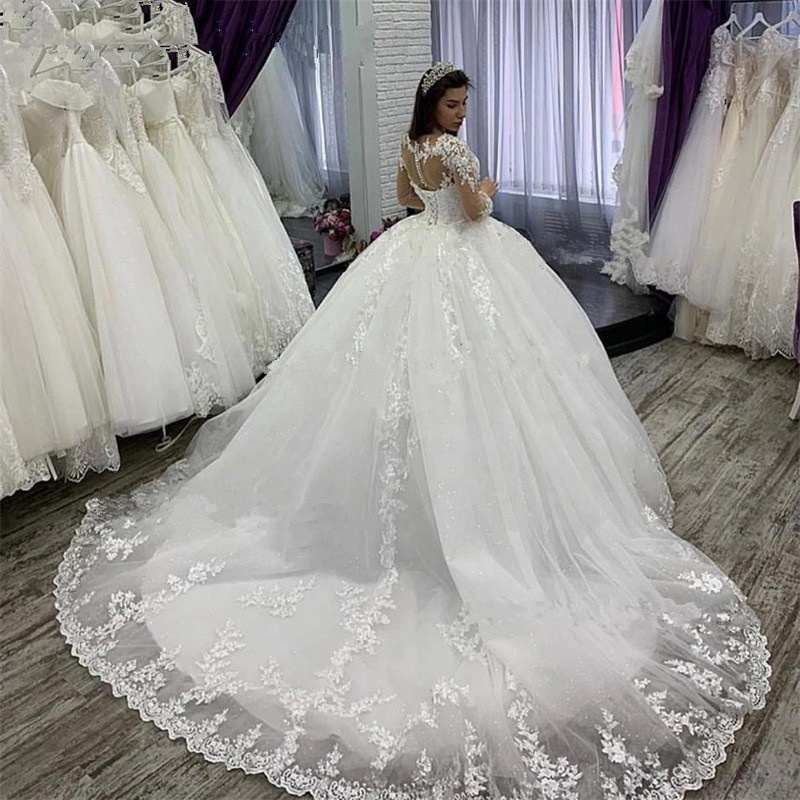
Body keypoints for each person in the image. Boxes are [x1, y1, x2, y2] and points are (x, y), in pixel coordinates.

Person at [55, 63, 770, 800]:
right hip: (463, 257)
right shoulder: (452, 150)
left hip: (412, 256)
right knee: (478, 376)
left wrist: (440, 195)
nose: (461, 114)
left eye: (464, 105)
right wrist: (484, 189)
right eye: (454, 104)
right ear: (436, 103)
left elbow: (404, 199)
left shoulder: (408, 145)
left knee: (398, 376)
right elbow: (474, 214)